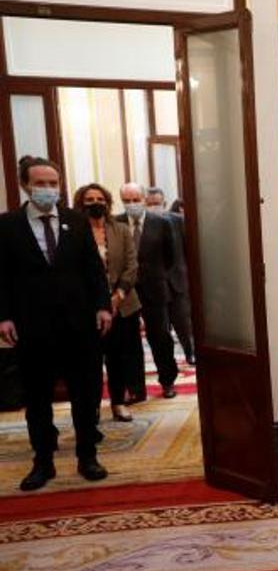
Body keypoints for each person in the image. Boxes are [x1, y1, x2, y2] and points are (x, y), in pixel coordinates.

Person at [0, 157, 112, 490]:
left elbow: (93, 269)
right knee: (36, 397)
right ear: (25, 185)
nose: (49, 189)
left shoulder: (75, 221)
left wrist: (103, 307)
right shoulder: (7, 226)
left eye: (53, 183)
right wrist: (3, 316)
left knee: (86, 394)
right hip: (32, 327)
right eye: (41, 183)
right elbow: (1, 277)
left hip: (79, 326)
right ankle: (43, 461)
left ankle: (87, 455)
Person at [74, 184, 141, 423]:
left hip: (123, 305)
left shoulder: (121, 229)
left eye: (100, 198)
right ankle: (91, 406)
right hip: (87, 308)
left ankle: (118, 403)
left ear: (108, 202)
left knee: (118, 357)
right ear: (81, 203)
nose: (95, 203)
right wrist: (98, 302)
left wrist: (116, 297)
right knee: (90, 361)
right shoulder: (73, 230)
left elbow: (132, 266)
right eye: (89, 199)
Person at [118, 183, 180, 399]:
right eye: (127, 201)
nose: (131, 204)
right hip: (126, 291)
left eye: (135, 199)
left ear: (143, 199)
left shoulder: (161, 222)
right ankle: (135, 388)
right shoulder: (117, 223)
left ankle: (168, 382)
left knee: (161, 337)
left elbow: (170, 256)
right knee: (129, 340)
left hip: (155, 289)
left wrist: (158, 276)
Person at [146, 187, 194, 365]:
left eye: (157, 204)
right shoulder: (141, 224)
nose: (153, 207)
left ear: (164, 204)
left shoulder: (178, 221)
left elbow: (189, 250)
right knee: (160, 331)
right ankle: (168, 364)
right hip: (153, 286)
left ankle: (191, 354)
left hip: (177, 282)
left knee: (184, 323)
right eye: (149, 204)